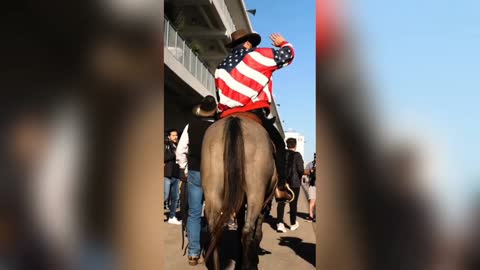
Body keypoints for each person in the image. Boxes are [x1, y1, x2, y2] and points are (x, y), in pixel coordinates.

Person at [213, 29, 295, 199]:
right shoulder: (256, 55)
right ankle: (280, 187)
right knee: (280, 145)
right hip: (253, 111)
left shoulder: (220, 67)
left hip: (225, 115)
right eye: (252, 44)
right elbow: (288, 55)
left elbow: (219, 95)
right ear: (248, 43)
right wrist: (283, 43)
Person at [176, 96, 215, 266]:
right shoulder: (218, 128)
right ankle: (212, 249)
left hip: (195, 172)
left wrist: (185, 168)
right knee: (214, 213)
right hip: (215, 174)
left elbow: (180, 151)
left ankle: (193, 253)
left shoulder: (190, 126)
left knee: (193, 213)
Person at [276, 138, 304, 233]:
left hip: (282, 182)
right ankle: (292, 224)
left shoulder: (282, 154)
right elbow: (300, 169)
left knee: (281, 202)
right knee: (293, 203)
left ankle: (280, 223)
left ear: (287, 145)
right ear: (295, 145)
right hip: (294, 183)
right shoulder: (297, 155)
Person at [164, 129, 181, 225]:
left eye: (176, 135)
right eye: (173, 135)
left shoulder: (178, 146)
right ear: (169, 136)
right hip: (167, 174)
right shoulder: (166, 145)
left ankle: (172, 216)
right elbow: (164, 157)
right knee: (165, 196)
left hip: (176, 174)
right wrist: (175, 154)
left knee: (175, 197)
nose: (175, 137)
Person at [304, 158, 316, 222]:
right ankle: (311, 217)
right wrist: (310, 171)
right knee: (312, 201)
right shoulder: (311, 164)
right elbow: (304, 171)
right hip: (313, 185)